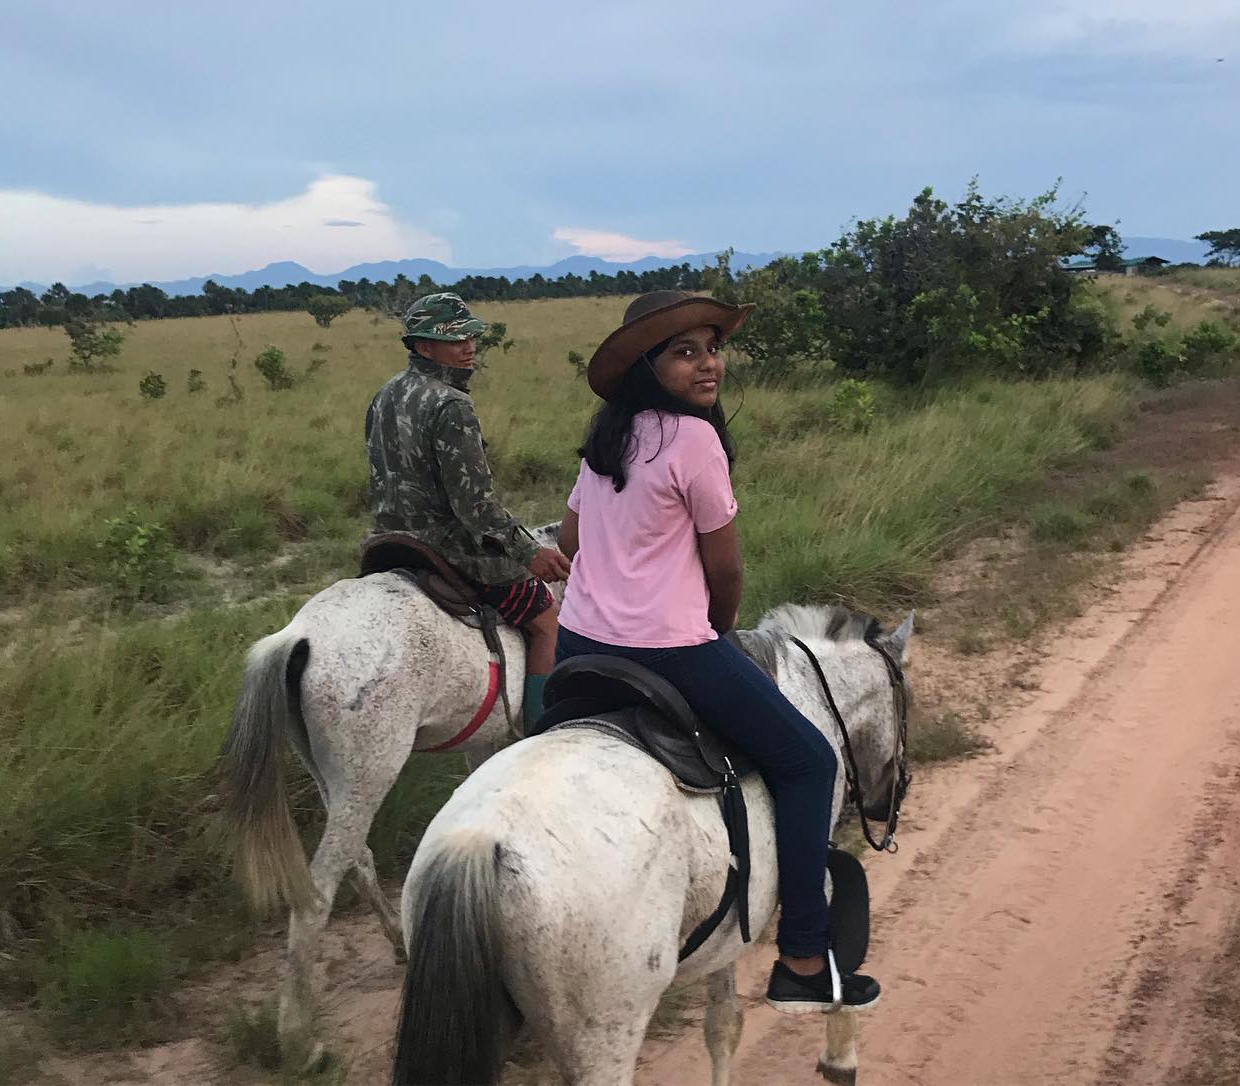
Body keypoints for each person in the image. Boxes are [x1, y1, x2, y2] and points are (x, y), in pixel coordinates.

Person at [554, 290, 880, 1012]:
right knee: (808, 761)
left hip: (578, 643)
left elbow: (572, 545)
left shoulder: (607, 438)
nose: (709, 363)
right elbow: (725, 572)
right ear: (648, 365)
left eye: (711, 347)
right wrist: (722, 628)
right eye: (685, 351)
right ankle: (801, 955)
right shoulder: (693, 440)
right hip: (669, 651)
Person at [365, 292, 570, 715]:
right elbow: (475, 507)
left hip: (389, 540)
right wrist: (529, 553)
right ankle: (540, 728)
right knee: (548, 624)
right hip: (451, 549)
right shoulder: (452, 405)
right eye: (455, 339)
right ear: (424, 347)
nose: (469, 346)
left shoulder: (385, 393)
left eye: (470, 336)